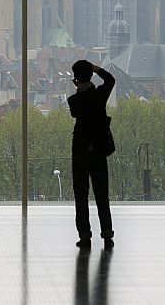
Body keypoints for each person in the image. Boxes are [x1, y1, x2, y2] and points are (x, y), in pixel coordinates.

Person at [67, 60, 115, 249]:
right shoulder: (99, 95)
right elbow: (110, 80)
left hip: (80, 152)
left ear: (76, 79)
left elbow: (77, 112)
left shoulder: (74, 100)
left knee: (81, 196)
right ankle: (107, 235)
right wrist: (96, 69)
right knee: (102, 196)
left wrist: (79, 88)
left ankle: (85, 235)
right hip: (99, 150)